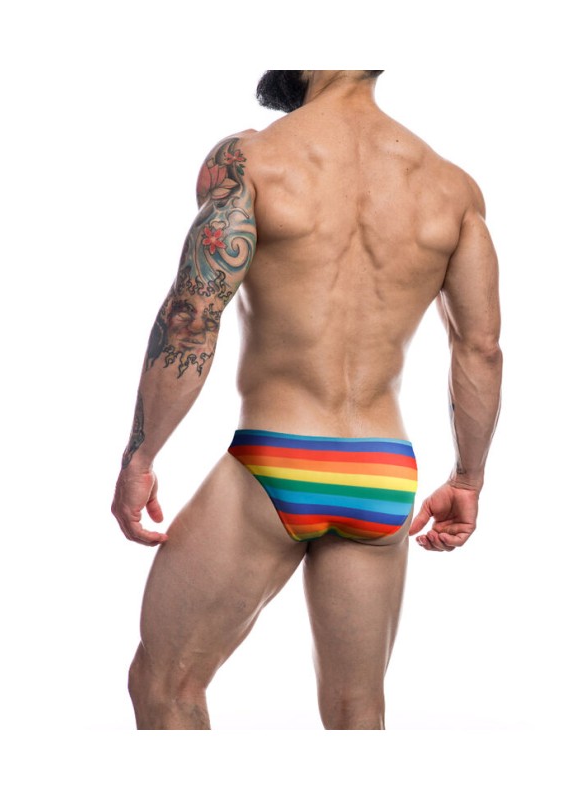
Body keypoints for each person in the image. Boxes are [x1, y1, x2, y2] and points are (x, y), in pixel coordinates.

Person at [111, 70, 503, 730]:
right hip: (381, 473)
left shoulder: (252, 160)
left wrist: (140, 457)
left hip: (276, 457)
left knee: (164, 683)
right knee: (357, 711)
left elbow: (192, 316)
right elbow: (480, 348)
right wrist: (468, 479)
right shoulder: (451, 188)